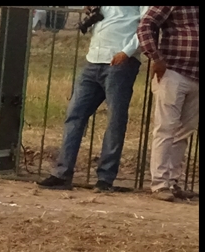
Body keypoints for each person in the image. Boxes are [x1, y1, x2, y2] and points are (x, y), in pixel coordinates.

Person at [37, 6, 145, 192]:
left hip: (120, 60)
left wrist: (127, 52)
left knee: (115, 120)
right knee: (74, 114)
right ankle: (62, 173)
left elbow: (147, 25)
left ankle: (105, 178)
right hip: (94, 58)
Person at [138, 6, 200, 201]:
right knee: (166, 128)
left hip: (196, 76)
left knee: (184, 131)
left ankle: (172, 182)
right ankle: (159, 183)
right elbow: (145, 25)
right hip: (173, 71)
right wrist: (156, 58)